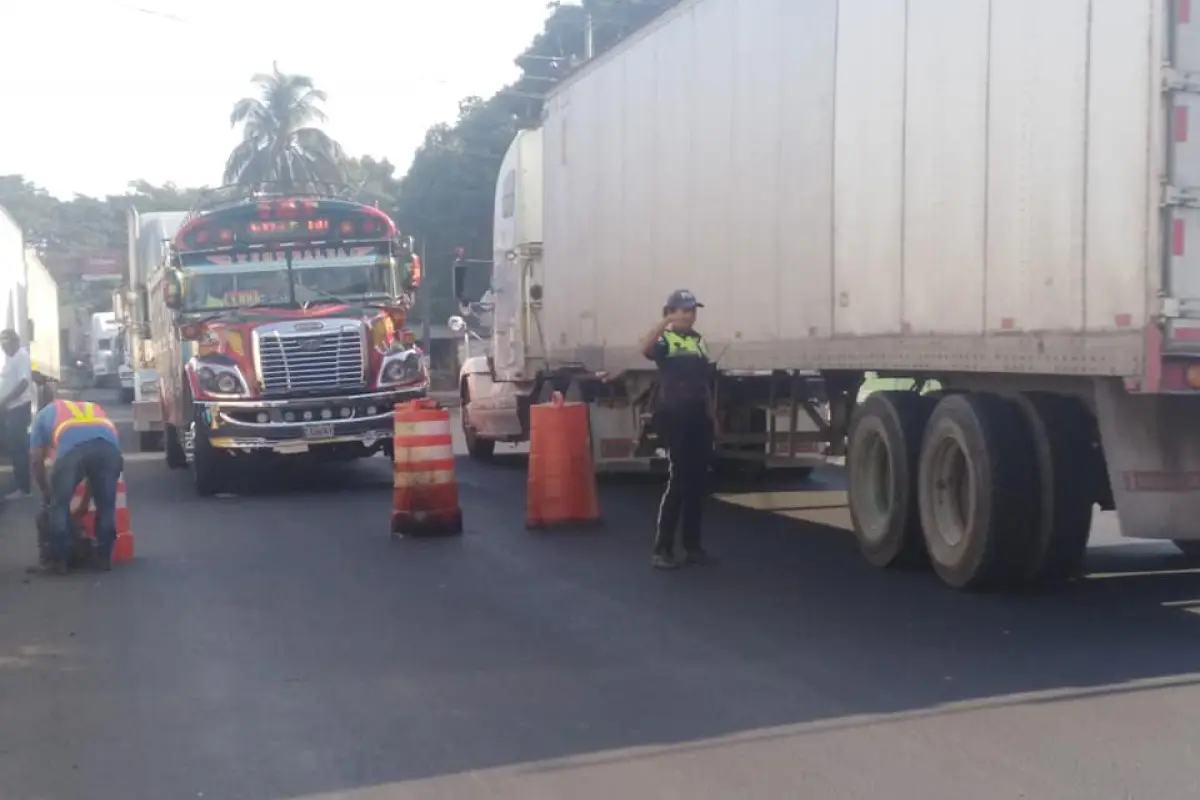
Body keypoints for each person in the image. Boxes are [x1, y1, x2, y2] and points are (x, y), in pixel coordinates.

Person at [639, 289, 718, 570]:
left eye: (691, 311)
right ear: (670, 312)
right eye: (682, 310)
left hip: (699, 416)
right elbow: (644, 348)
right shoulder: (665, 339)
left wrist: (712, 417)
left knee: (699, 483)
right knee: (680, 480)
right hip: (676, 416)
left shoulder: (698, 341)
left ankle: (693, 546)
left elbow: (705, 382)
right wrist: (664, 323)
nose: (688, 315)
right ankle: (662, 549)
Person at [29, 391, 123, 575]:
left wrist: (47, 492)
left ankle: (59, 559)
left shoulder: (42, 416)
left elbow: (36, 461)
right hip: (110, 450)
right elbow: (93, 474)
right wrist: (85, 502)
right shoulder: (90, 407)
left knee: (59, 506)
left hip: (73, 451)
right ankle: (104, 557)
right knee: (106, 505)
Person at [0, 329, 34, 501]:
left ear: (15, 342)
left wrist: (5, 400)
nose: (4, 348)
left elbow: (23, 382)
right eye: (2, 345)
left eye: (6, 344)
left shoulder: (21, 356)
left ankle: (23, 486)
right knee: (13, 447)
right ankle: (18, 481)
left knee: (18, 447)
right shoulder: (11, 358)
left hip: (18, 408)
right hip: (9, 409)